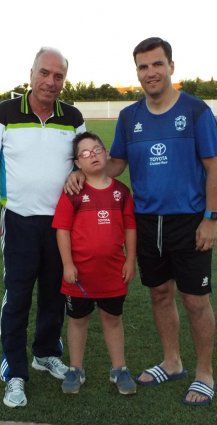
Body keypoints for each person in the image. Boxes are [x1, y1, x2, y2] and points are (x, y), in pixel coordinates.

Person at [66, 37, 217, 406]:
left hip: (189, 220)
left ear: (171, 66)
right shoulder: (129, 117)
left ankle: (204, 372)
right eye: (143, 66)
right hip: (145, 220)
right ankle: (172, 361)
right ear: (136, 72)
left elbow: (214, 168)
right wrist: (82, 172)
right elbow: (116, 164)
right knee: (159, 293)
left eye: (157, 64)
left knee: (195, 299)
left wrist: (210, 219)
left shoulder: (197, 112)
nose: (150, 72)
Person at [0, 47, 86, 408]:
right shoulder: (6, 113)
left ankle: (44, 353)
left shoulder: (72, 117)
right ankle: (15, 373)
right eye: (45, 73)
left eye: (58, 76)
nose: (50, 82)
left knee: (56, 292)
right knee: (18, 296)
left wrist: (78, 172)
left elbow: (85, 162)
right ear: (31, 73)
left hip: (61, 225)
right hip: (19, 220)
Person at [52, 131, 137, 395]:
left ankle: (119, 369)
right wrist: (67, 264)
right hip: (79, 276)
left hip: (113, 273)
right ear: (78, 163)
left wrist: (130, 261)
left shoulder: (121, 192)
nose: (93, 155)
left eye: (97, 149)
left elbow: (130, 229)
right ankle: (76, 369)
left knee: (113, 319)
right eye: (85, 153)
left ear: (106, 153)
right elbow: (62, 230)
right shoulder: (73, 192)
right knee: (78, 321)